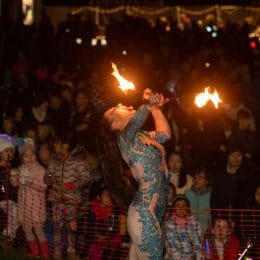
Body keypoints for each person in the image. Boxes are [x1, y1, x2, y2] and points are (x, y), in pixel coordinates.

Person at [100, 88, 171, 259]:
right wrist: (148, 104)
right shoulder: (124, 139)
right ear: (115, 125)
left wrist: (155, 108)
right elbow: (135, 121)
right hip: (143, 214)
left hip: (154, 213)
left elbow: (165, 135)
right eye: (113, 109)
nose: (119, 104)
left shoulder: (142, 136)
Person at [46, 133, 90, 259]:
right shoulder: (53, 162)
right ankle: (57, 251)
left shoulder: (77, 162)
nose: (54, 145)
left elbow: (86, 177)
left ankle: (71, 250)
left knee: (71, 226)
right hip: (56, 200)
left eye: (58, 143)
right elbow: (47, 175)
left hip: (71, 200)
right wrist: (50, 179)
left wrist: (71, 185)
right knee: (57, 226)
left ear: (66, 145)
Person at [11, 138, 49, 257]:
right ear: (21, 158)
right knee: (27, 230)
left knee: (38, 230)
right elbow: (15, 184)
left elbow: (43, 186)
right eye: (26, 156)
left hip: (36, 206)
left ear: (36, 156)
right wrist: (14, 177)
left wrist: (28, 181)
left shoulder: (40, 169)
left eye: (31, 154)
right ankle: (35, 252)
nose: (29, 158)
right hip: (24, 205)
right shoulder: (21, 168)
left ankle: (45, 253)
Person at [164, 194, 204, 259]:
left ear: (188, 208)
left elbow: (198, 245)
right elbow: (170, 246)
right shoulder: (169, 225)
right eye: (178, 205)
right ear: (174, 208)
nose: (181, 208)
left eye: (184, 205)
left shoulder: (194, 224)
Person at [185, 165, 213, 238]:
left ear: (207, 180)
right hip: (190, 229)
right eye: (196, 177)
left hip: (205, 230)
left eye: (201, 177)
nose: (197, 180)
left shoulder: (211, 195)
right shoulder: (188, 194)